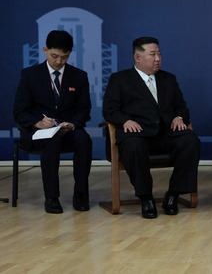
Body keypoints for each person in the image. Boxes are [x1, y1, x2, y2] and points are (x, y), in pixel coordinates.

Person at [102, 37, 200, 219]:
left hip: (165, 134)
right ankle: (145, 197)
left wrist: (180, 117)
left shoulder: (168, 79)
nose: (157, 59)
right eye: (152, 55)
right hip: (137, 134)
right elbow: (109, 109)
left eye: (159, 54)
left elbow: (182, 107)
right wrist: (125, 121)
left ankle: (173, 194)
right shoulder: (120, 79)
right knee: (133, 146)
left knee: (190, 141)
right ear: (137, 58)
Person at [13, 30, 92, 214]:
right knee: (51, 141)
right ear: (45, 50)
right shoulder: (29, 75)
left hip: (68, 129)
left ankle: (80, 193)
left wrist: (72, 124)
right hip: (38, 131)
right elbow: (19, 111)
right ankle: (51, 197)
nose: (58, 61)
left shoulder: (79, 76)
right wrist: (37, 123)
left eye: (64, 57)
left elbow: (84, 110)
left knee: (84, 140)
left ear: (70, 54)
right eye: (54, 56)